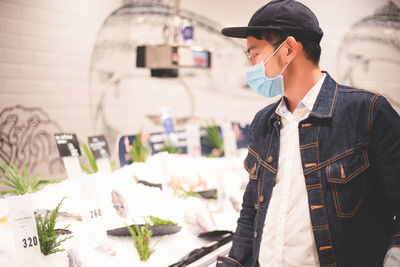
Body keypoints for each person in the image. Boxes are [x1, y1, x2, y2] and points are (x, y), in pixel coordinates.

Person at [216, 0, 400, 266]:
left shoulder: (368, 111)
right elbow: (251, 212)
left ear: (288, 49)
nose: (250, 66)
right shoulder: (264, 122)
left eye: (254, 54)